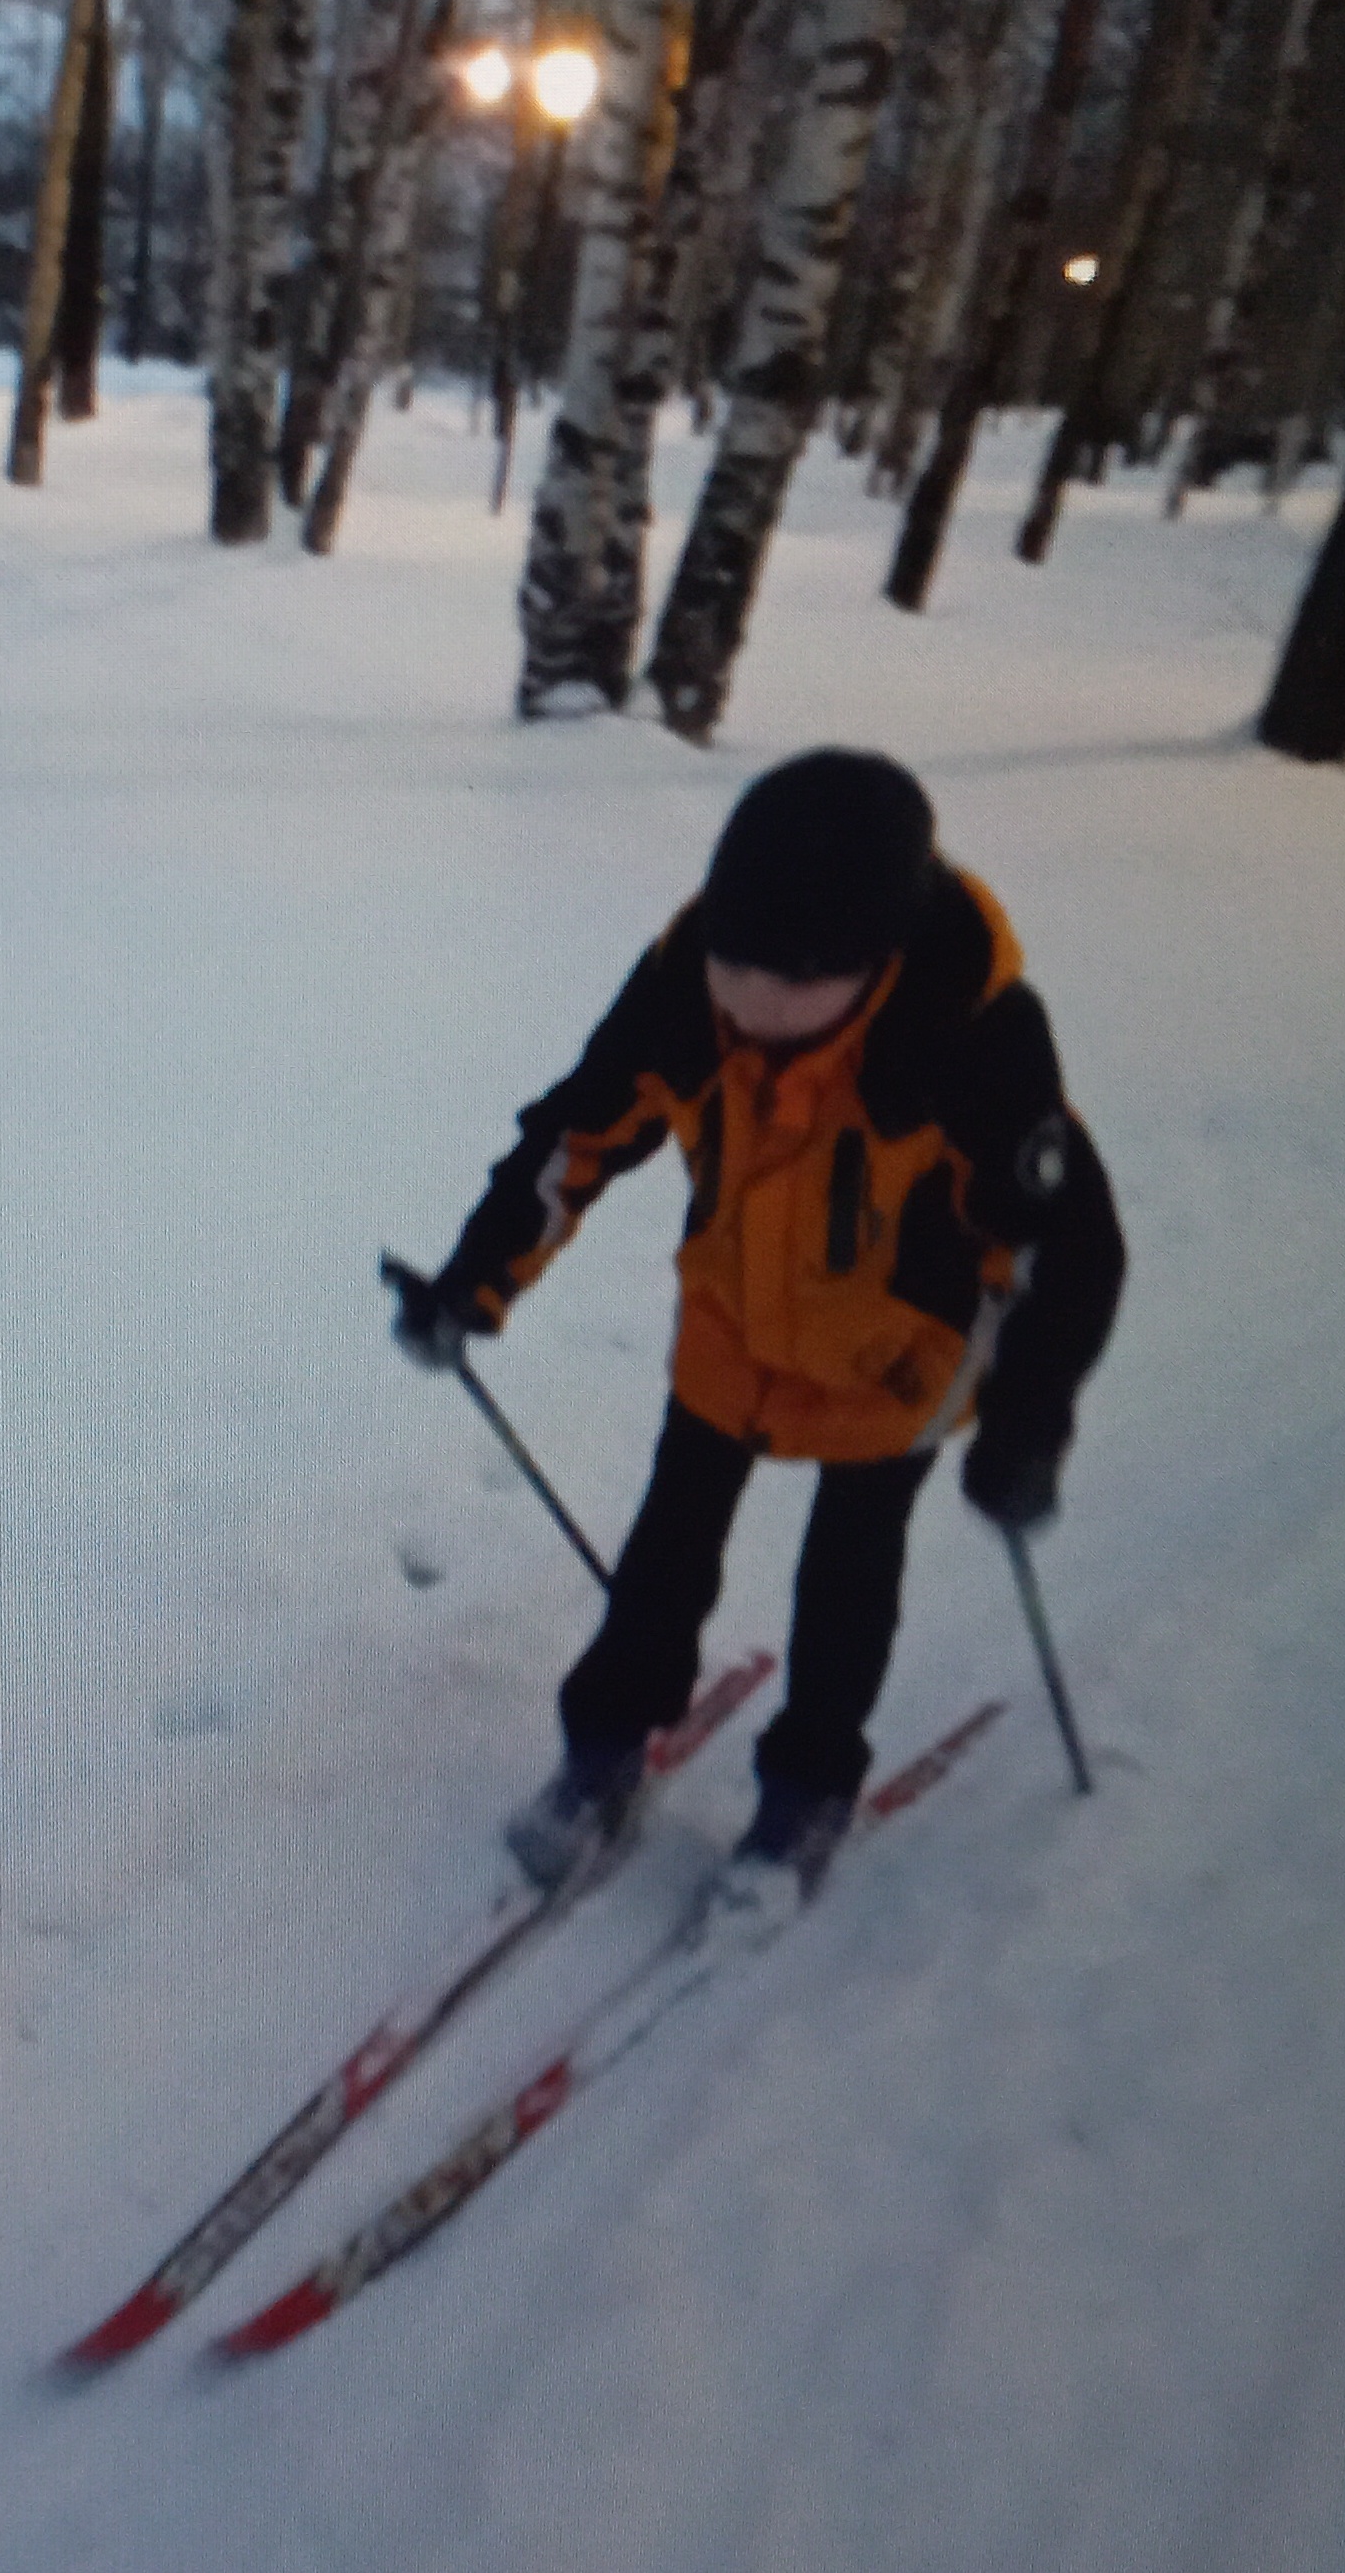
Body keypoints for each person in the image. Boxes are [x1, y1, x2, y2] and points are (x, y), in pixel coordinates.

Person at [391, 748, 1125, 1897]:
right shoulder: (689, 985)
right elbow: (575, 1136)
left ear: (873, 961)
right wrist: (472, 1282)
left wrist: (1027, 1423)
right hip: (735, 1323)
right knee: (665, 1553)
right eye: (735, 965)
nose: (750, 1002)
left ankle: (808, 1790)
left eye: (792, 982)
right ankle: (603, 1748)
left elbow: (1066, 1247)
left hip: (895, 1355)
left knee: (847, 1575)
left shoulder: (967, 1035)